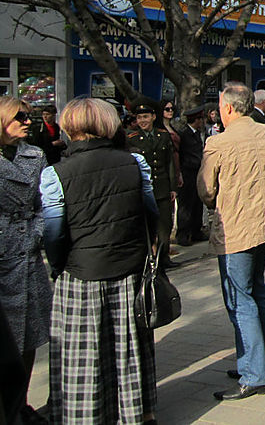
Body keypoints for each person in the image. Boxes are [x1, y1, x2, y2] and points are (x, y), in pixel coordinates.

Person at [40, 97, 158, 424]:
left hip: (81, 273)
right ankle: (136, 413)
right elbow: (150, 214)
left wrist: (58, 265)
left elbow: (53, 234)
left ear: (70, 127)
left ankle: (89, 415)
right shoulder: (134, 162)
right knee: (129, 350)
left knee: (85, 355)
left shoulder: (56, 174)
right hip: (129, 268)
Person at [198, 82, 265, 400]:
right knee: (257, 292)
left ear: (229, 108)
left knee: (240, 299)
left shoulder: (218, 143)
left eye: (220, 105)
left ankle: (255, 373)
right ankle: (260, 363)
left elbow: (206, 190)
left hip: (235, 231)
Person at [0, 97, 52, 424]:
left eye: (29, 116)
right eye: (20, 116)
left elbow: (44, 204)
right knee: (6, 341)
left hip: (29, 261)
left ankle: (20, 405)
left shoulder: (35, 155)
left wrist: (34, 232)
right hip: (4, 258)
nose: (27, 121)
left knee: (30, 338)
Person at [128, 100, 179, 269]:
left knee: (165, 225)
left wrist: (173, 187)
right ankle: (149, 259)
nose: (143, 120)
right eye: (139, 117)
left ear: (153, 117)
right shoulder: (132, 139)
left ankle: (163, 258)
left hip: (162, 187)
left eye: (146, 116)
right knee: (146, 227)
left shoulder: (163, 135)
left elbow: (169, 163)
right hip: (144, 189)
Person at [175, 105, 206, 246]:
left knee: (197, 203)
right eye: (200, 119)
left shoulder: (197, 134)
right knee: (186, 204)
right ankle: (183, 233)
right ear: (196, 120)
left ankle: (196, 230)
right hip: (187, 172)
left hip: (198, 171)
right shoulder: (184, 134)